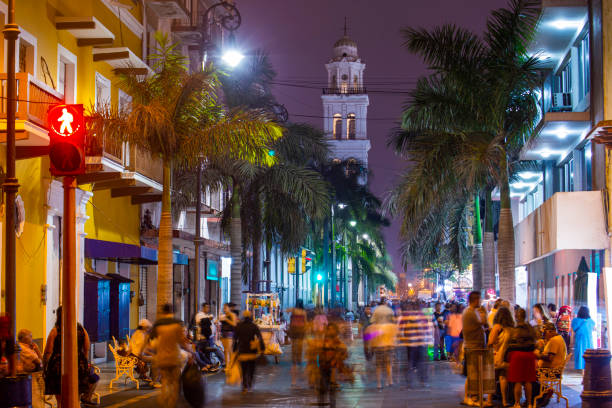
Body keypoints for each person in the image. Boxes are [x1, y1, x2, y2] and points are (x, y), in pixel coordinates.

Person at [43, 306, 99, 407]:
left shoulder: (55, 331)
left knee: (60, 399)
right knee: (76, 397)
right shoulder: (82, 330)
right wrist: (84, 362)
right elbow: (87, 347)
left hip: (58, 366)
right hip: (78, 365)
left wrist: (45, 366)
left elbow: (48, 351)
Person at [151, 304, 188, 408]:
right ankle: (172, 401)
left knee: (165, 380)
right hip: (174, 357)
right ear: (173, 311)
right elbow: (182, 342)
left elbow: (151, 341)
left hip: (162, 358)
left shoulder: (158, 325)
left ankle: (164, 398)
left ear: (163, 312)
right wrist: (191, 352)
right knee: (175, 381)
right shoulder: (177, 324)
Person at [462, 291, 491, 407]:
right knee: (472, 373)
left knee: (475, 373)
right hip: (473, 346)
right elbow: (484, 322)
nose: (481, 302)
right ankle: (469, 397)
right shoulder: (470, 312)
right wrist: (484, 312)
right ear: (475, 300)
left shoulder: (471, 311)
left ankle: (474, 396)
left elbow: (478, 327)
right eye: (480, 299)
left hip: (476, 345)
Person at [506, 308, 537, 408]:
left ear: (516, 317)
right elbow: (535, 340)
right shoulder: (530, 328)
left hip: (517, 355)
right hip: (529, 355)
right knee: (528, 381)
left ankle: (517, 404)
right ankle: (529, 404)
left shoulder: (514, 329)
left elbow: (509, 343)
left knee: (518, 381)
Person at [397, 302, 431, 387]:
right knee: (421, 363)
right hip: (420, 343)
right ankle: (423, 381)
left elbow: (400, 330)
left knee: (411, 363)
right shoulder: (422, 316)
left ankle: (410, 382)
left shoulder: (406, 317)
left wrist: (404, 339)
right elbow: (426, 330)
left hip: (411, 344)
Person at [488, 307, 514, 407]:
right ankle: (504, 401)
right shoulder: (511, 329)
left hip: (496, 356)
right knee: (503, 378)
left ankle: (489, 400)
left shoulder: (497, 327)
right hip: (506, 358)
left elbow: (491, 342)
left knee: (492, 379)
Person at [367, 302, 397, 389]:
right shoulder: (391, 325)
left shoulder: (374, 326)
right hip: (389, 346)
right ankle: (390, 381)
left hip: (378, 347)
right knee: (389, 364)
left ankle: (379, 383)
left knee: (378, 366)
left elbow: (368, 336)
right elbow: (396, 335)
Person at [233, 310, 264, 394]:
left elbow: (235, 339)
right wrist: (262, 349)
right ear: (250, 317)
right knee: (251, 369)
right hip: (252, 352)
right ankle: (250, 384)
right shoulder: (254, 326)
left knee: (243, 370)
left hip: (242, 351)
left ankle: (244, 386)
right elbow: (260, 338)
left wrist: (234, 350)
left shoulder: (239, 326)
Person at [17, 328, 43, 408]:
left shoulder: (29, 348)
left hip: (33, 377)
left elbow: (41, 361)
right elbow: (39, 363)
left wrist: (37, 349)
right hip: (29, 378)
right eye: (30, 336)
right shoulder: (23, 349)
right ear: (24, 338)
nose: (32, 338)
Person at [287, 300, 307, 387]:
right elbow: (305, 323)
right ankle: (298, 363)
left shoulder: (293, 311)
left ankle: (293, 381)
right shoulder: (303, 312)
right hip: (301, 333)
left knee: (294, 351)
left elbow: (287, 312)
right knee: (299, 351)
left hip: (294, 333)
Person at [572, 306, 596, 372]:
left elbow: (573, 330)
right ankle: (588, 371)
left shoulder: (575, 321)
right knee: (588, 354)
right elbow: (594, 329)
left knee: (580, 353)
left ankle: (582, 371)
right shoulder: (591, 321)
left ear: (579, 312)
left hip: (579, 340)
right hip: (589, 340)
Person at [219, 303, 238, 370]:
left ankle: (230, 366)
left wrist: (226, 319)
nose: (224, 309)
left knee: (228, 350)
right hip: (223, 334)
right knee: (226, 351)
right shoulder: (224, 315)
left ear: (229, 308)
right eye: (224, 308)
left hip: (230, 334)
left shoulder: (232, 315)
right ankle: (228, 365)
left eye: (225, 307)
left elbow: (234, 324)